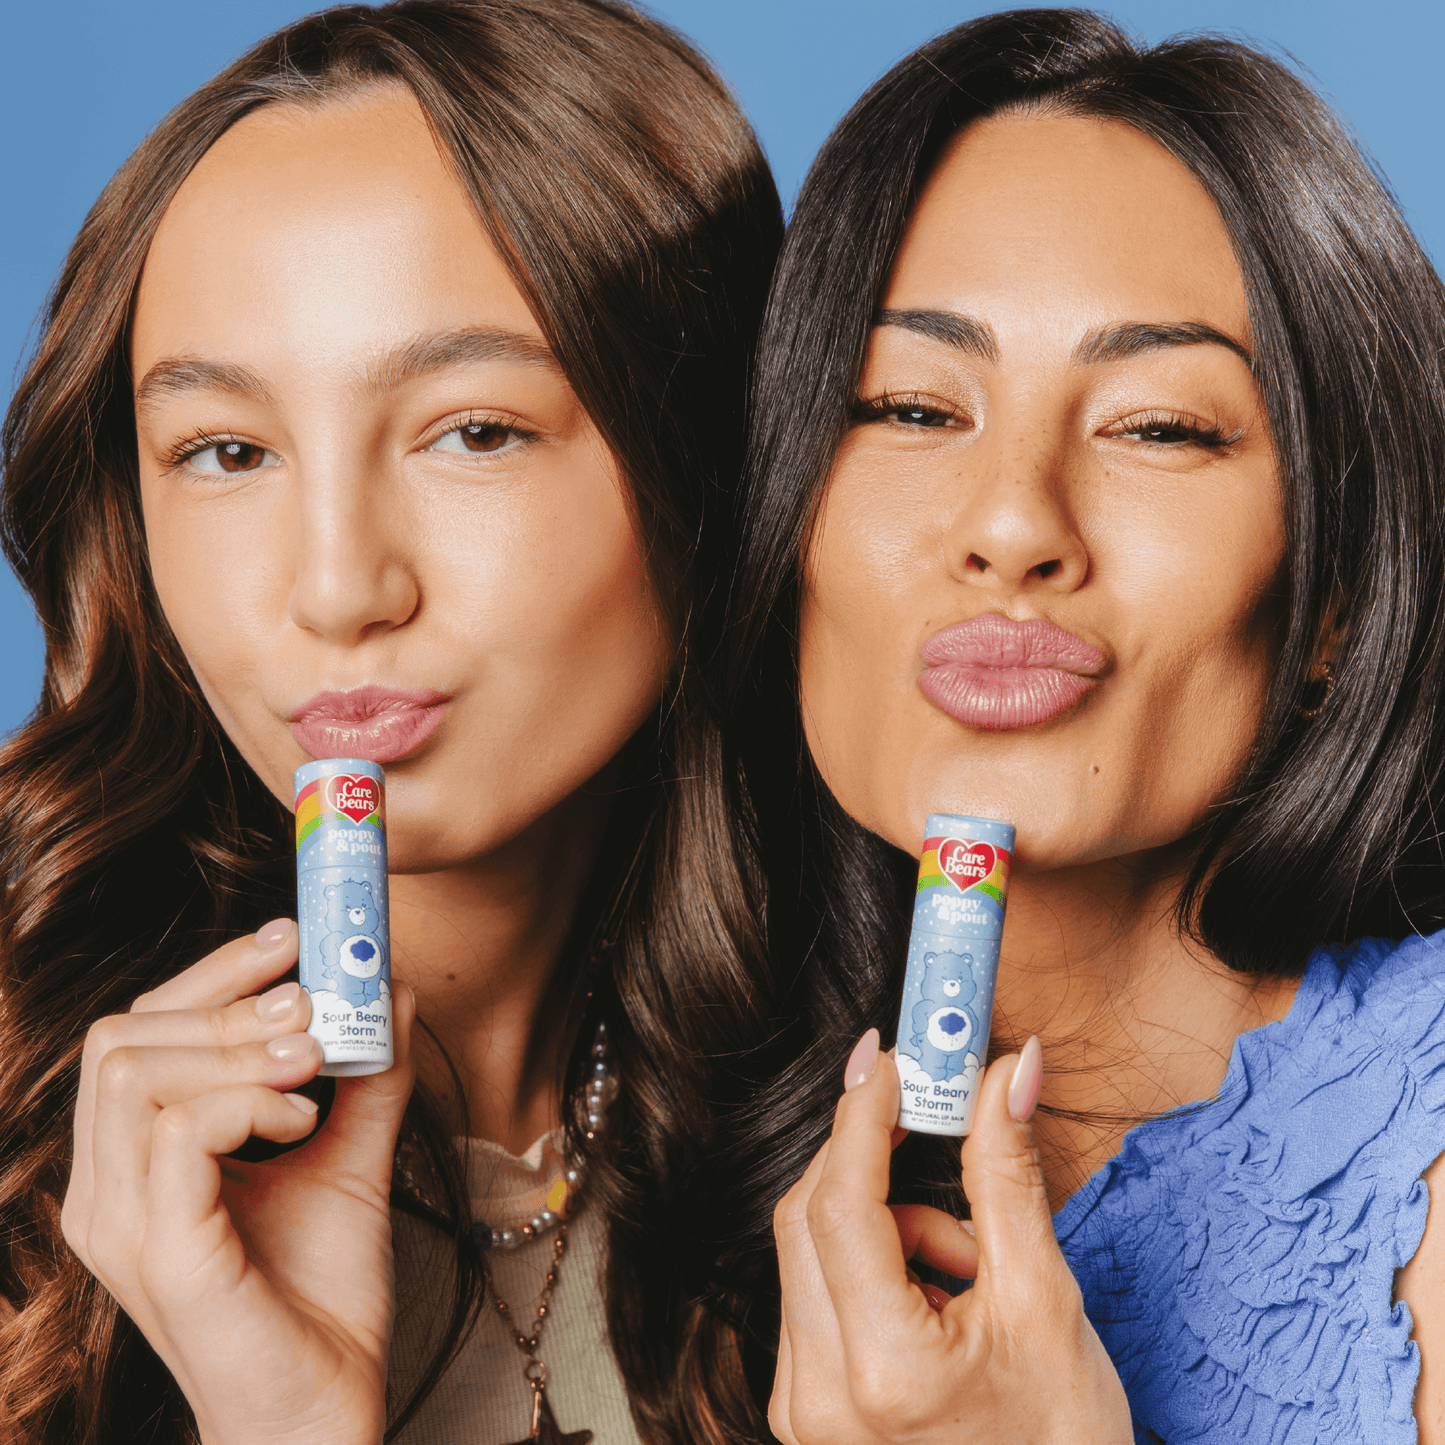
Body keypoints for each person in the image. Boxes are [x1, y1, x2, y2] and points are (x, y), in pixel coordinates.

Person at [0, 3, 781, 1442]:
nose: (339, 585)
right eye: (226, 452)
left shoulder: (901, 1118)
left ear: (713, 449)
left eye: (473, 431)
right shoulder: (24, 1141)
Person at [710, 8, 1445, 1442]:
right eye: (909, 408)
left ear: (1340, 594)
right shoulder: (634, 1144)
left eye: (1159, 427)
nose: (1011, 525)